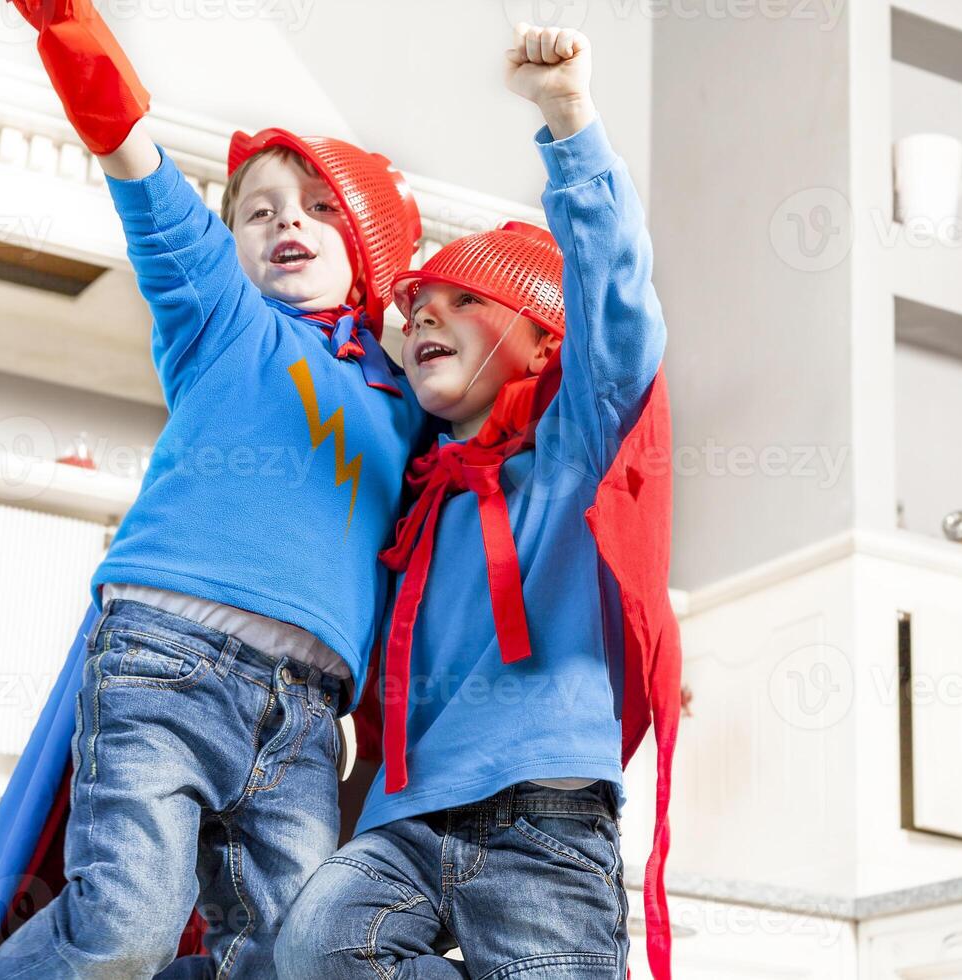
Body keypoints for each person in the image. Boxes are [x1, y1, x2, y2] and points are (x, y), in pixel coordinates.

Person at [0, 2, 427, 978]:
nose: (285, 221)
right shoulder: (224, 318)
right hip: (169, 663)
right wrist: (71, 31)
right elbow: (138, 170)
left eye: (318, 205)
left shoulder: (407, 401)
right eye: (258, 207)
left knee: (289, 962)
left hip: (310, 717)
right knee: (126, 927)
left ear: (369, 238)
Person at [275, 24, 682, 980]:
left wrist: (567, 118)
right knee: (318, 948)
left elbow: (615, 305)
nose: (422, 318)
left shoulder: (573, 450)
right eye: (415, 310)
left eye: (459, 302)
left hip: (546, 810)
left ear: (541, 342)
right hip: (406, 820)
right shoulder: (413, 502)